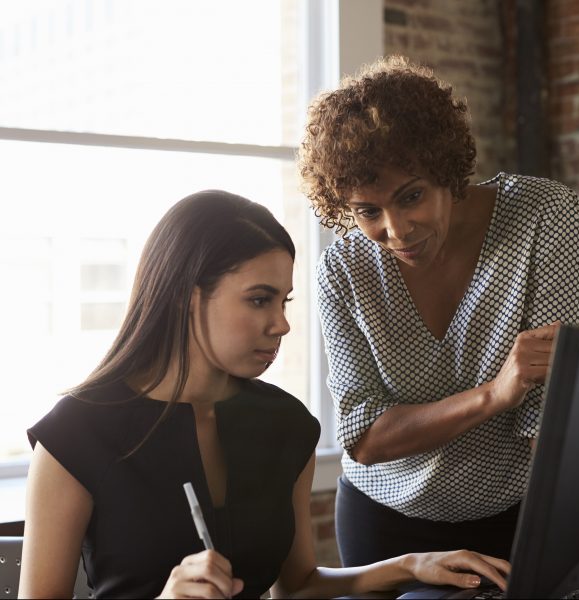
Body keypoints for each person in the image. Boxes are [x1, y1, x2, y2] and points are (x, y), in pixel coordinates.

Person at [19, 190, 511, 599]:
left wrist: (412, 565)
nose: (281, 324)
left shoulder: (286, 425)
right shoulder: (74, 437)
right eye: (258, 300)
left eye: (283, 301)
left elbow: (297, 585)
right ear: (185, 296)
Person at [297, 55, 579, 568]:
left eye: (410, 196)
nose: (398, 230)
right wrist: (495, 394)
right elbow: (363, 435)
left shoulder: (543, 215)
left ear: (446, 168)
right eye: (368, 211)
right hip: (383, 524)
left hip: (517, 516)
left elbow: (551, 415)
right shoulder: (342, 270)